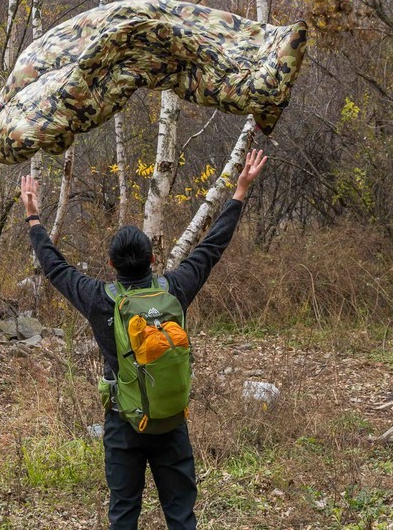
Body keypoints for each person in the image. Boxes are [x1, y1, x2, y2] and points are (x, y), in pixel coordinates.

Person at [19, 148, 268, 530]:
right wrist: (239, 191)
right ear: (153, 260)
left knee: (124, 513)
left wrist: (33, 214)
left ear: (112, 265)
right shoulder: (176, 288)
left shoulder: (99, 299)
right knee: (181, 515)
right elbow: (211, 249)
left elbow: (55, 267)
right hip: (170, 420)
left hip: (123, 423)